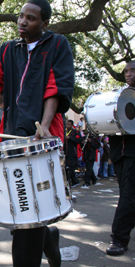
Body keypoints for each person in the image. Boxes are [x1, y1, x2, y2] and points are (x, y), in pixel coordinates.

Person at [0, 0, 74, 266]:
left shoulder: (58, 45)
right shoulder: (7, 49)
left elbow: (56, 88)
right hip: (12, 134)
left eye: (30, 18)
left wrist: (44, 125)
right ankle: (49, 238)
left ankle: (40, 245)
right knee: (21, 207)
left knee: (28, 212)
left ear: (44, 23)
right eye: (20, 16)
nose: (22, 22)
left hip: (44, 134)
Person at [106, 60, 135, 256]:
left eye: (133, 71)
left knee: (128, 197)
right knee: (128, 195)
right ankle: (121, 233)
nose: (128, 74)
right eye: (126, 71)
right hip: (121, 154)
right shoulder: (120, 96)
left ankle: (119, 238)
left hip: (132, 154)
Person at [64, 119, 82, 187]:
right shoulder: (64, 131)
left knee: (71, 168)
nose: (67, 126)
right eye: (67, 124)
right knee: (66, 168)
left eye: (69, 124)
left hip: (72, 152)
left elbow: (79, 140)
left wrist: (70, 138)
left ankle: (75, 181)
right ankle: (68, 182)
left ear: (72, 125)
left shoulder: (76, 132)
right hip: (65, 152)